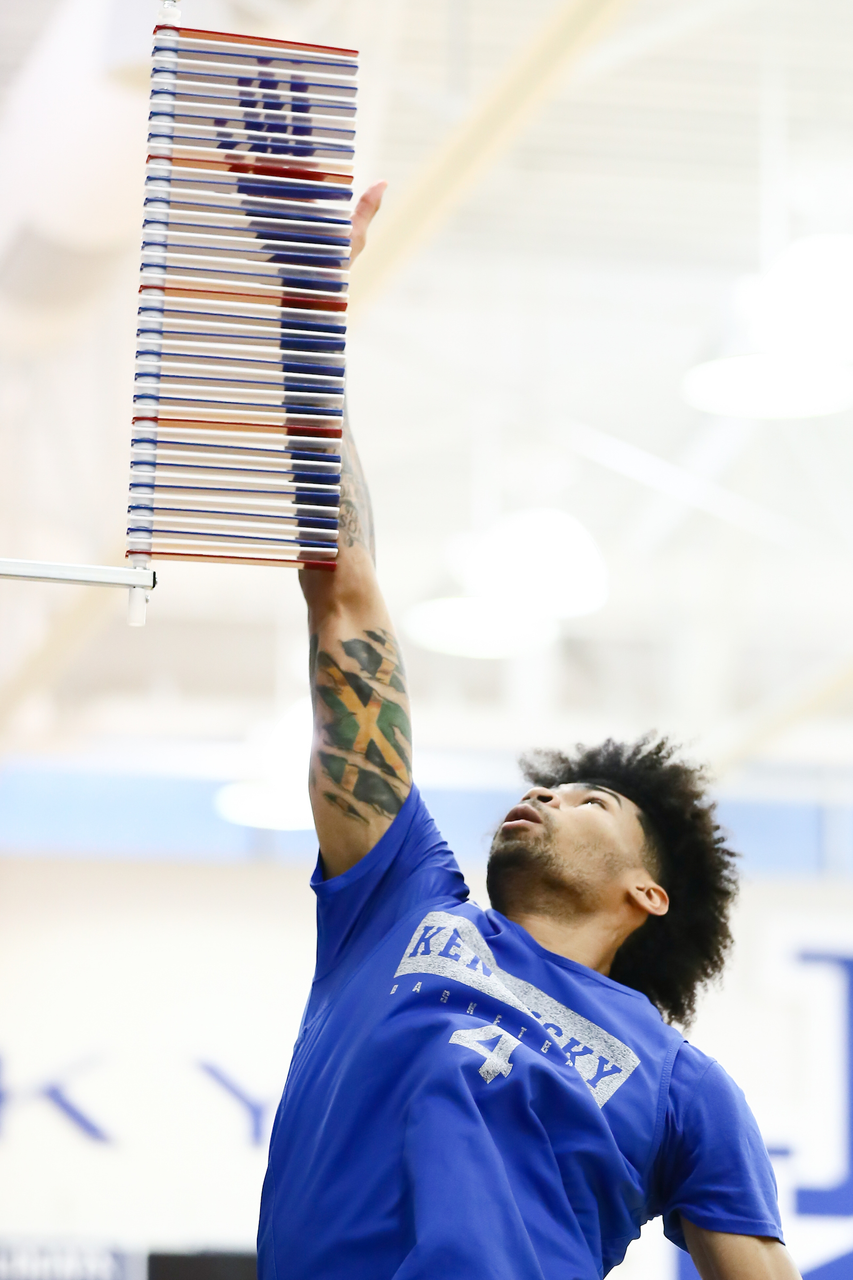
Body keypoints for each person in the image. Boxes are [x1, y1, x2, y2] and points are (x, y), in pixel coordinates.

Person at [256, 184, 801, 1280]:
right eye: (555, 787)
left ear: (644, 894)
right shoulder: (400, 900)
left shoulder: (686, 1086)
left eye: (590, 801)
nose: (546, 795)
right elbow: (344, 593)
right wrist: (307, 308)